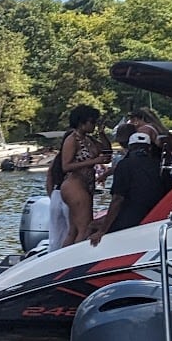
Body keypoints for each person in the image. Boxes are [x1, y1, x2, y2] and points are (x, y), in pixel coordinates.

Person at [89, 130, 169, 243]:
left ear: (129, 148)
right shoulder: (159, 166)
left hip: (131, 219)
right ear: (149, 148)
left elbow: (117, 199)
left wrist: (102, 231)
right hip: (154, 216)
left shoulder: (125, 165)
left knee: (92, 226)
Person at [57, 105, 109, 245]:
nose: (94, 125)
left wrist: (102, 134)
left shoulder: (89, 140)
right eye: (92, 122)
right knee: (85, 228)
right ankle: (75, 261)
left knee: (74, 230)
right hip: (74, 184)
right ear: (82, 122)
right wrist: (93, 161)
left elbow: (106, 152)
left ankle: (64, 261)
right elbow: (66, 166)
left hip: (86, 185)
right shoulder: (72, 140)